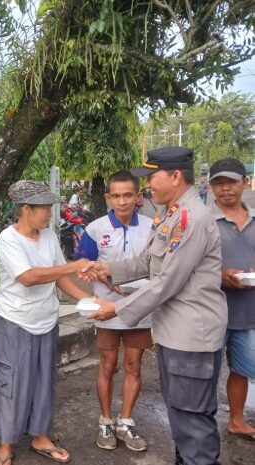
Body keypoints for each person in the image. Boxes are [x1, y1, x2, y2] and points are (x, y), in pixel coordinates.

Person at [83, 146, 228, 465]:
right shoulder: (171, 215)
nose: (147, 185)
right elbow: (149, 262)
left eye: (152, 177)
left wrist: (115, 309)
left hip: (191, 336)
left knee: (192, 419)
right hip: (175, 334)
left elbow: (167, 282)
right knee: (181, 413)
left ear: (176, 176)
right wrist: (109, 269)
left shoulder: (189, 220)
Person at [0, 181, 92, 465]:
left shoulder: (47, 236)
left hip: (46, 319)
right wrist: (73, 265)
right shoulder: (8, 238)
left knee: (44, 380)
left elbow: (59, 277)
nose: (50, 214)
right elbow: (28, 277)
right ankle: (7, 443)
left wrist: (87, 301)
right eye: (45, 209)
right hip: (14, 320)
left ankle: (39, 435)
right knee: (12, 381)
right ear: (26, 209)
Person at [75, 170, 152, 452]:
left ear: (138, 197)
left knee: (134, 365)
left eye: (128, 195)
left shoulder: (151, 226)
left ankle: (126, 421)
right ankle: (106, 420)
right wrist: (103, 279)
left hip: (142, 309)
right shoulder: (95, 229)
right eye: (116, 195)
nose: (122, 201)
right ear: (108, 197)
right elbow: (83, 263)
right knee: (107, 365)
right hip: (106, 309)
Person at [209, 158, 255, 441]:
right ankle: (202, 425)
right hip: (212, 311)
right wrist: (219, 275)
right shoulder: (203, 221)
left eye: (231, 182)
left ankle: (236, 420)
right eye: (218, 183)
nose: (225, 189)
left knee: (241, 369)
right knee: (206, 372)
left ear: (245, 182)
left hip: (248, 312)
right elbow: (188, 266)